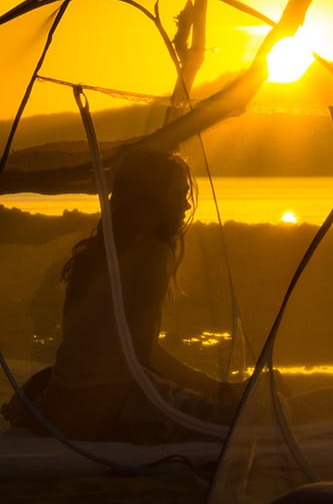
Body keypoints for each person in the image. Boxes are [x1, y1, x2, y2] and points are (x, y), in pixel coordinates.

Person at [7, 147, 244, 443]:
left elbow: (84, 346)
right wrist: (216, 389)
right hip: (106, 409)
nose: (185, 206)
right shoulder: (153, 254)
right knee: (258, 409)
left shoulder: (93, 255)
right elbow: (142, 353)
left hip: (59, 408)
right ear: (152, 199)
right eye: (178, 195)